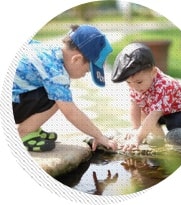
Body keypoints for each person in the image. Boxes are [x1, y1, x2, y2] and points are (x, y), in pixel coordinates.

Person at [12, 24, 117, 152]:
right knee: (60, 99)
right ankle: (25, 132)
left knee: (54, 91)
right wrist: (99, 136)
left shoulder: (48, 50)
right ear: (76, 59)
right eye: (87, 71)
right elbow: (71, 112)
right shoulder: (56, 72)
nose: (84, 75)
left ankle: (33, 126)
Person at [111, 43, 181, 151]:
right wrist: (135, 128)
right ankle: (160, 139)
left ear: (153, 72)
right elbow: (135, 105)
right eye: (129, 82)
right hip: (165, 110)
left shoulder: (164, 85)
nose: (134, 87)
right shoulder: (136, 85)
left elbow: (155, 115)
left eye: (139, 82)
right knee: (144, 112)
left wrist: (137, 138)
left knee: (174, 124)